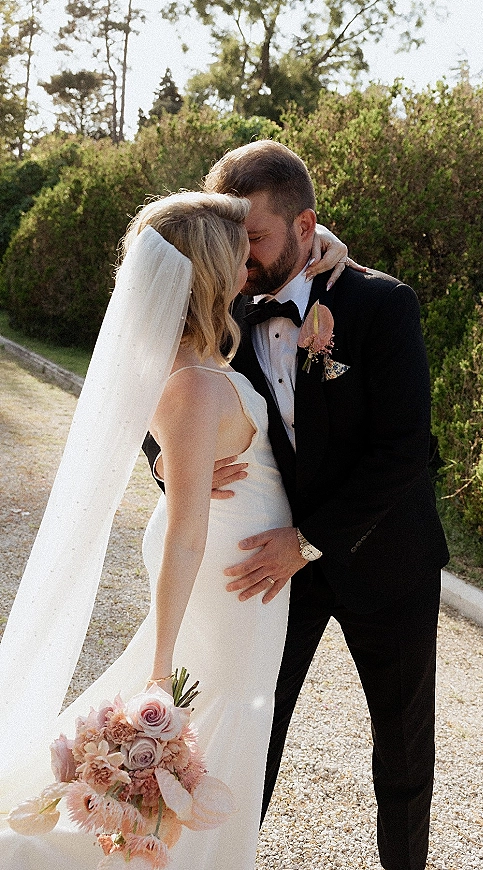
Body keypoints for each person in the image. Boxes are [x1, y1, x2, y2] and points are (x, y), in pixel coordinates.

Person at [0, 191, 347, 869]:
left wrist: (324, 240)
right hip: (224, 577)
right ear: (212, 270)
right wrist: (160, 665)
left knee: (222, 730)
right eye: (239, 251)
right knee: (197, 729)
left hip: (240, 574)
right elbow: (187, 531)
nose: (251, 261)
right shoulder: (191, 381)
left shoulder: (195, 360)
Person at [146, 140, 450, 870]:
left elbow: (408, 451)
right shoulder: (227, 304)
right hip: (270, 574)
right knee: (251, 732)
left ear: (306, 225)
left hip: (387, 560)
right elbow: (165, 396)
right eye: (233, 240)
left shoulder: (380, 303)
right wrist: (171, 469)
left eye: (254, 239)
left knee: (403, 752)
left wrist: (308, 537)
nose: (242, 258)